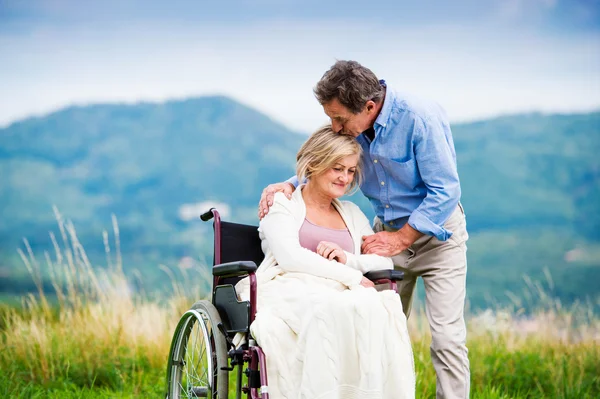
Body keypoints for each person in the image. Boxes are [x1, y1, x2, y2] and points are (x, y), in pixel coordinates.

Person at [259, 60, 469, 399]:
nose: (335, 126)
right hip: (382, 237)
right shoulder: (353, 130)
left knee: (447, 339)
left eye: (339, 118)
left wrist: (400, 239)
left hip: (437, 238)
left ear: (369, 106)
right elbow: (330, 164)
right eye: (330, 117)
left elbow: (446, 190)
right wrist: (289, 184)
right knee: (376, 332)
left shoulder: (420, 118)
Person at [236, 125, 415, 399]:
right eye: (337, 168)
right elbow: (291, 258)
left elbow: (386, 264)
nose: (345, 178)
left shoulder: (352, 214)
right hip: (288, 286)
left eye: (351, 170)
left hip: (341, 291)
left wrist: (348, 259)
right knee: (331, 307)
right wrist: (353, 277)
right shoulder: (282, 205)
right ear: (315, 163)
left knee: (382, 306)